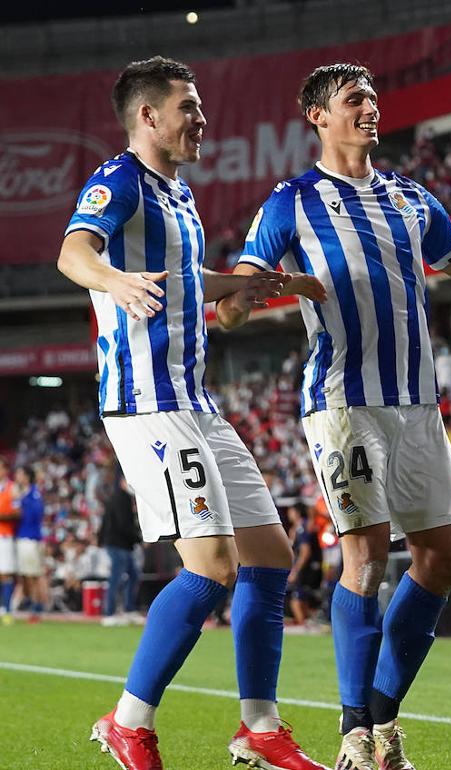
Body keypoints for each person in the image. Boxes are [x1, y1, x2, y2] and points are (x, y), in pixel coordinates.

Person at [217, 62, 451, 770]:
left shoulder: (412, 198)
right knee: (367, 555)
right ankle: (356, 732)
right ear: (317, 115)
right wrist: (254, 295)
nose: (371, 108)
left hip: (417, 405)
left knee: (444, 559)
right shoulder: (291, 201)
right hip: (344, 403)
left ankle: (381, 719)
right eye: (355, 99)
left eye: (374, 97)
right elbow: (228, 307)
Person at [56, 56, 325, 770]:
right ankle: (129, 723)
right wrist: (113, 278)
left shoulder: (178, 194)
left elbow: (188, 281)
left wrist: (261, 281)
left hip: (195, 402)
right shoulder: (118, 179)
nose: (201, 119)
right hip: (148, 402)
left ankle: (259, 728)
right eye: (189, 107)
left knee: (271, 555)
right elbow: (72, 252)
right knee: (207, 570)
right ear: (148, 116)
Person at [99, 468, 144, 625]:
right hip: (118, 544)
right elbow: (123, 525)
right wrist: (139, 538)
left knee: (132, 575)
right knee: (116, 577)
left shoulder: (118, 497)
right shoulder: (121, 498)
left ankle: (128, 609)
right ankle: (109, 612)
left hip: (120, 544)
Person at [14, 466, 49, 618]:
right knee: (27, 574)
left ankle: (37, 605)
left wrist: (20, 505)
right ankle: (33, 602)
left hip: (30, 538)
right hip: (23, 537)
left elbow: (36, 514)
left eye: (20, 474)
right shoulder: (24, 494)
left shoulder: (33, 495)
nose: (17, 476)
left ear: (27, 477)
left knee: (33, 574)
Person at [287, 502, 324, 627]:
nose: (289, 513)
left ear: (297, 512)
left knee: (296, 598)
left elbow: (305, 551)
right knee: (301, 597)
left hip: (306, 568)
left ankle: (304, 626)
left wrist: (295, 570)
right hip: (305, 567)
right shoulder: (297, 528)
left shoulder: (303, 527)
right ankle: (307, 622)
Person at [0, 459, 18, 619]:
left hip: (5, 535)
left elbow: (18, 513)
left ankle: (6, 608)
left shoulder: (12, 488)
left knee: (5, 573)